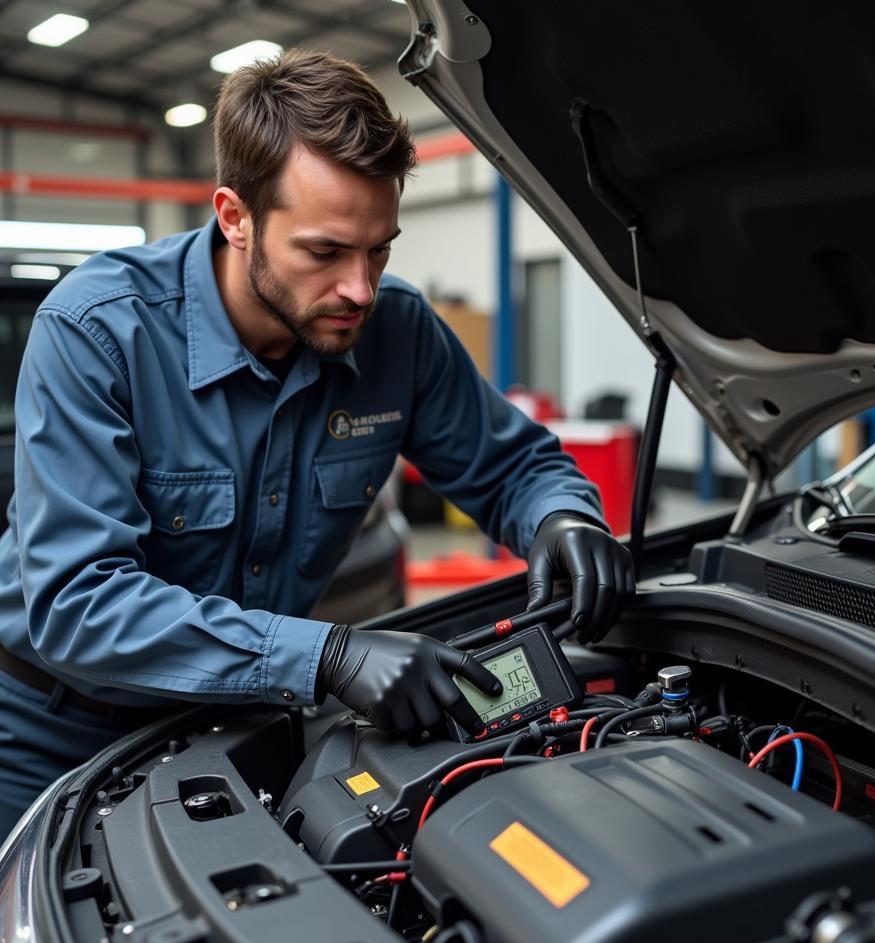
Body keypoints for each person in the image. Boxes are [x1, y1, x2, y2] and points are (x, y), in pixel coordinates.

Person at [0, 50, 633, 834]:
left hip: (243, 727)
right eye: (325, 252)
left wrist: (563, 517)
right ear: (235, 217)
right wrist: (325, 656)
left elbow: (511, 465)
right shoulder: (97, 331)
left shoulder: (396, 331)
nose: (360, 289)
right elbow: (76, 602)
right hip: (54, 735)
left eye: (380, 249)